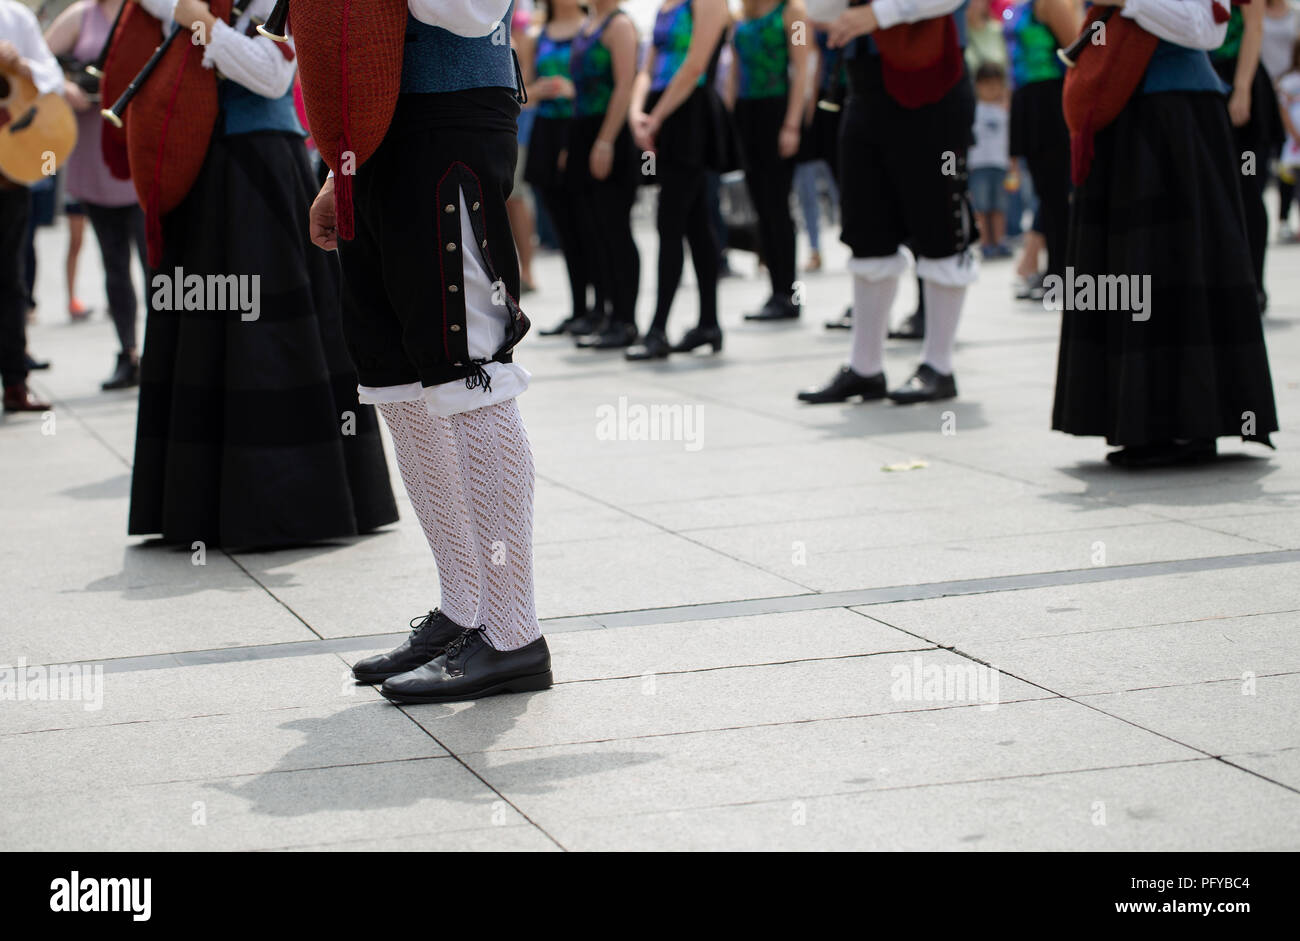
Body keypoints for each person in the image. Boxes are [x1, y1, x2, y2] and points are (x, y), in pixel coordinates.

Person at [303, 0, 553, 702]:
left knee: (471, 370)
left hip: (451, 119)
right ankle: (462, 610)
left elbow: (469, 12)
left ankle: (513, 635)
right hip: (378, 138)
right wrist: (339, 163)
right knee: (396, 384)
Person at [123, 0, 397, 547]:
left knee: (271, 336)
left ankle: (289, 504)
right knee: (204, 331)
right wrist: (193, 15)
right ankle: (203, 509)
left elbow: (272, 76)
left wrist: (199, 23)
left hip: (260, 171)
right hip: (196, 172)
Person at [1052, 0, 1278, 467]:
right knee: (1125, 272)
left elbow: (1207, 29)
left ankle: (1191, 426)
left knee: (1175, 263)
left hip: (1178, 117)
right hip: (1119, 111)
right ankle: (1136, 423)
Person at [798, 0, 978, 406]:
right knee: (867, 231)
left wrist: (879, 14)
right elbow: (821, 12)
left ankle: (939, 365)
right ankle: (865, 368)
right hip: (864, 87)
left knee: (941, 230)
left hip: (932, 83)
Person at [44, 0, 152, 390]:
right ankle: (128, 353)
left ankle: (161, 352)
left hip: (139, 152)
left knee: (156, 266)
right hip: (92, 151)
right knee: (114, 267)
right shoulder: (79, 16)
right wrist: (65, 87)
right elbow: (36, 61)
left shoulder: (148, 10)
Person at [626, 0, 729, 360]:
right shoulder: (666, 5)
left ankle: (658, 330)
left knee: (671, 220)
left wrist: (655, 117)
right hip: (661, 113)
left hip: (689, 114)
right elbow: (646, 67)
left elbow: (696, 64)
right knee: (697, 224)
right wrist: (637, 111)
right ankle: (709, 324)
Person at [727, 0, 810, 321]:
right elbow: (734, 71)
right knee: (760, 207)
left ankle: (790, 294)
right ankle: (774, 290)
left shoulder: (794, 13)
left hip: (778, 112)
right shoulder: (740, 18)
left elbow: (801, 67)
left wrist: (792, 123)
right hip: (746, 115)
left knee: (777, 206)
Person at [567, 0, 642, 349]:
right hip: (583, 132)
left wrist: (606, 141)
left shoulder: (620, 26)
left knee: (615, 229)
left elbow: (625, 87)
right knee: (593, 230)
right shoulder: (587, 26)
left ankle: (625, 320)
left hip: (609, 135)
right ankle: (607, 314)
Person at [0, 0, 63, 414]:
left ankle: (15, 383)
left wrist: (21, 66)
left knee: (10, 279)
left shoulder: (15, 18)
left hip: (9, 167)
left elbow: (53, 80)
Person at [520, 0, 591, 336]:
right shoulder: (537, 35)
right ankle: (579, 309)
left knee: (591, 224)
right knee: (564, 229)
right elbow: (522, 94)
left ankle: (603, 308)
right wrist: (541, 89)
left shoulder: (591, 29)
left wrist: (571, 90)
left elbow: (606, 84)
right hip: (547, 132)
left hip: (581, 130)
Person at [1211, 0, 1283, 313]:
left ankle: (1255, 283)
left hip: (1245, 96)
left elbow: (1254, 27)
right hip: (1207, 90)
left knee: (1248, 186)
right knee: (1216, 193)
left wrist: (1241, 89)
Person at [1005, 0, 1079, 283]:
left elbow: (1077, 50)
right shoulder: (1020, 6)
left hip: (1050, 102)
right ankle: (1055, 271)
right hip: (1027, 101)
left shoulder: (1052, 3)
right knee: (1045, 194)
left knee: (1057, 195)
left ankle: (1062, 273)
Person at [1262, 0, 1299, 239]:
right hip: (1265, 89)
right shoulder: (1254, 11)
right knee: (1262, 159)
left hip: (1289, 91)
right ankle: (1282, 219)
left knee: (1291, 170)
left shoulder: (1294, 15)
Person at [969, 61, 1011, 258]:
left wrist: (1014, 165)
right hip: (978, 166)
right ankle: (985, 242)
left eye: (996, 85)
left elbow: (1011, 140)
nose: (991, 90)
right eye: (987, 85)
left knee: (999, 207)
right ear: (977, 86)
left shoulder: (1005, 111)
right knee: (981, 208)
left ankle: (1000, 241)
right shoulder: (972, 110)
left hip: (1000, 165)